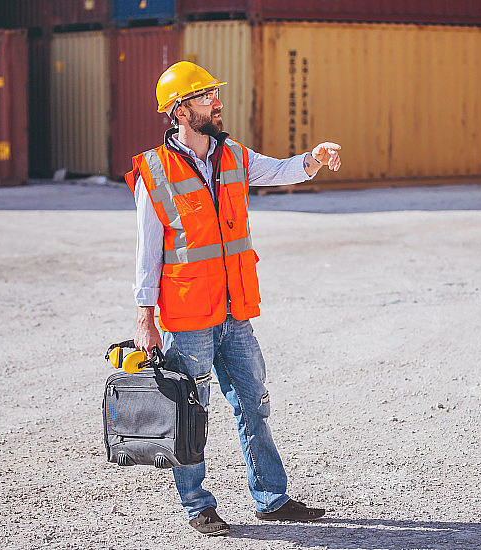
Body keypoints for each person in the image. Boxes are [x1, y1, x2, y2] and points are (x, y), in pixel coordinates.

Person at [125, 61, 341, 536]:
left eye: (215, 94)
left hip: (233, 311)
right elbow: (147, 250)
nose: (216, 102)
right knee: (189, 410)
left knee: (253, 402)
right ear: (179, 111)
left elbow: (282, 169)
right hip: (188, 316)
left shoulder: (234, 155)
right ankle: (197, 505)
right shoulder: (154, 171)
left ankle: (271, 498)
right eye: (205, 97)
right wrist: (145, 317)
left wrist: (313, 158)